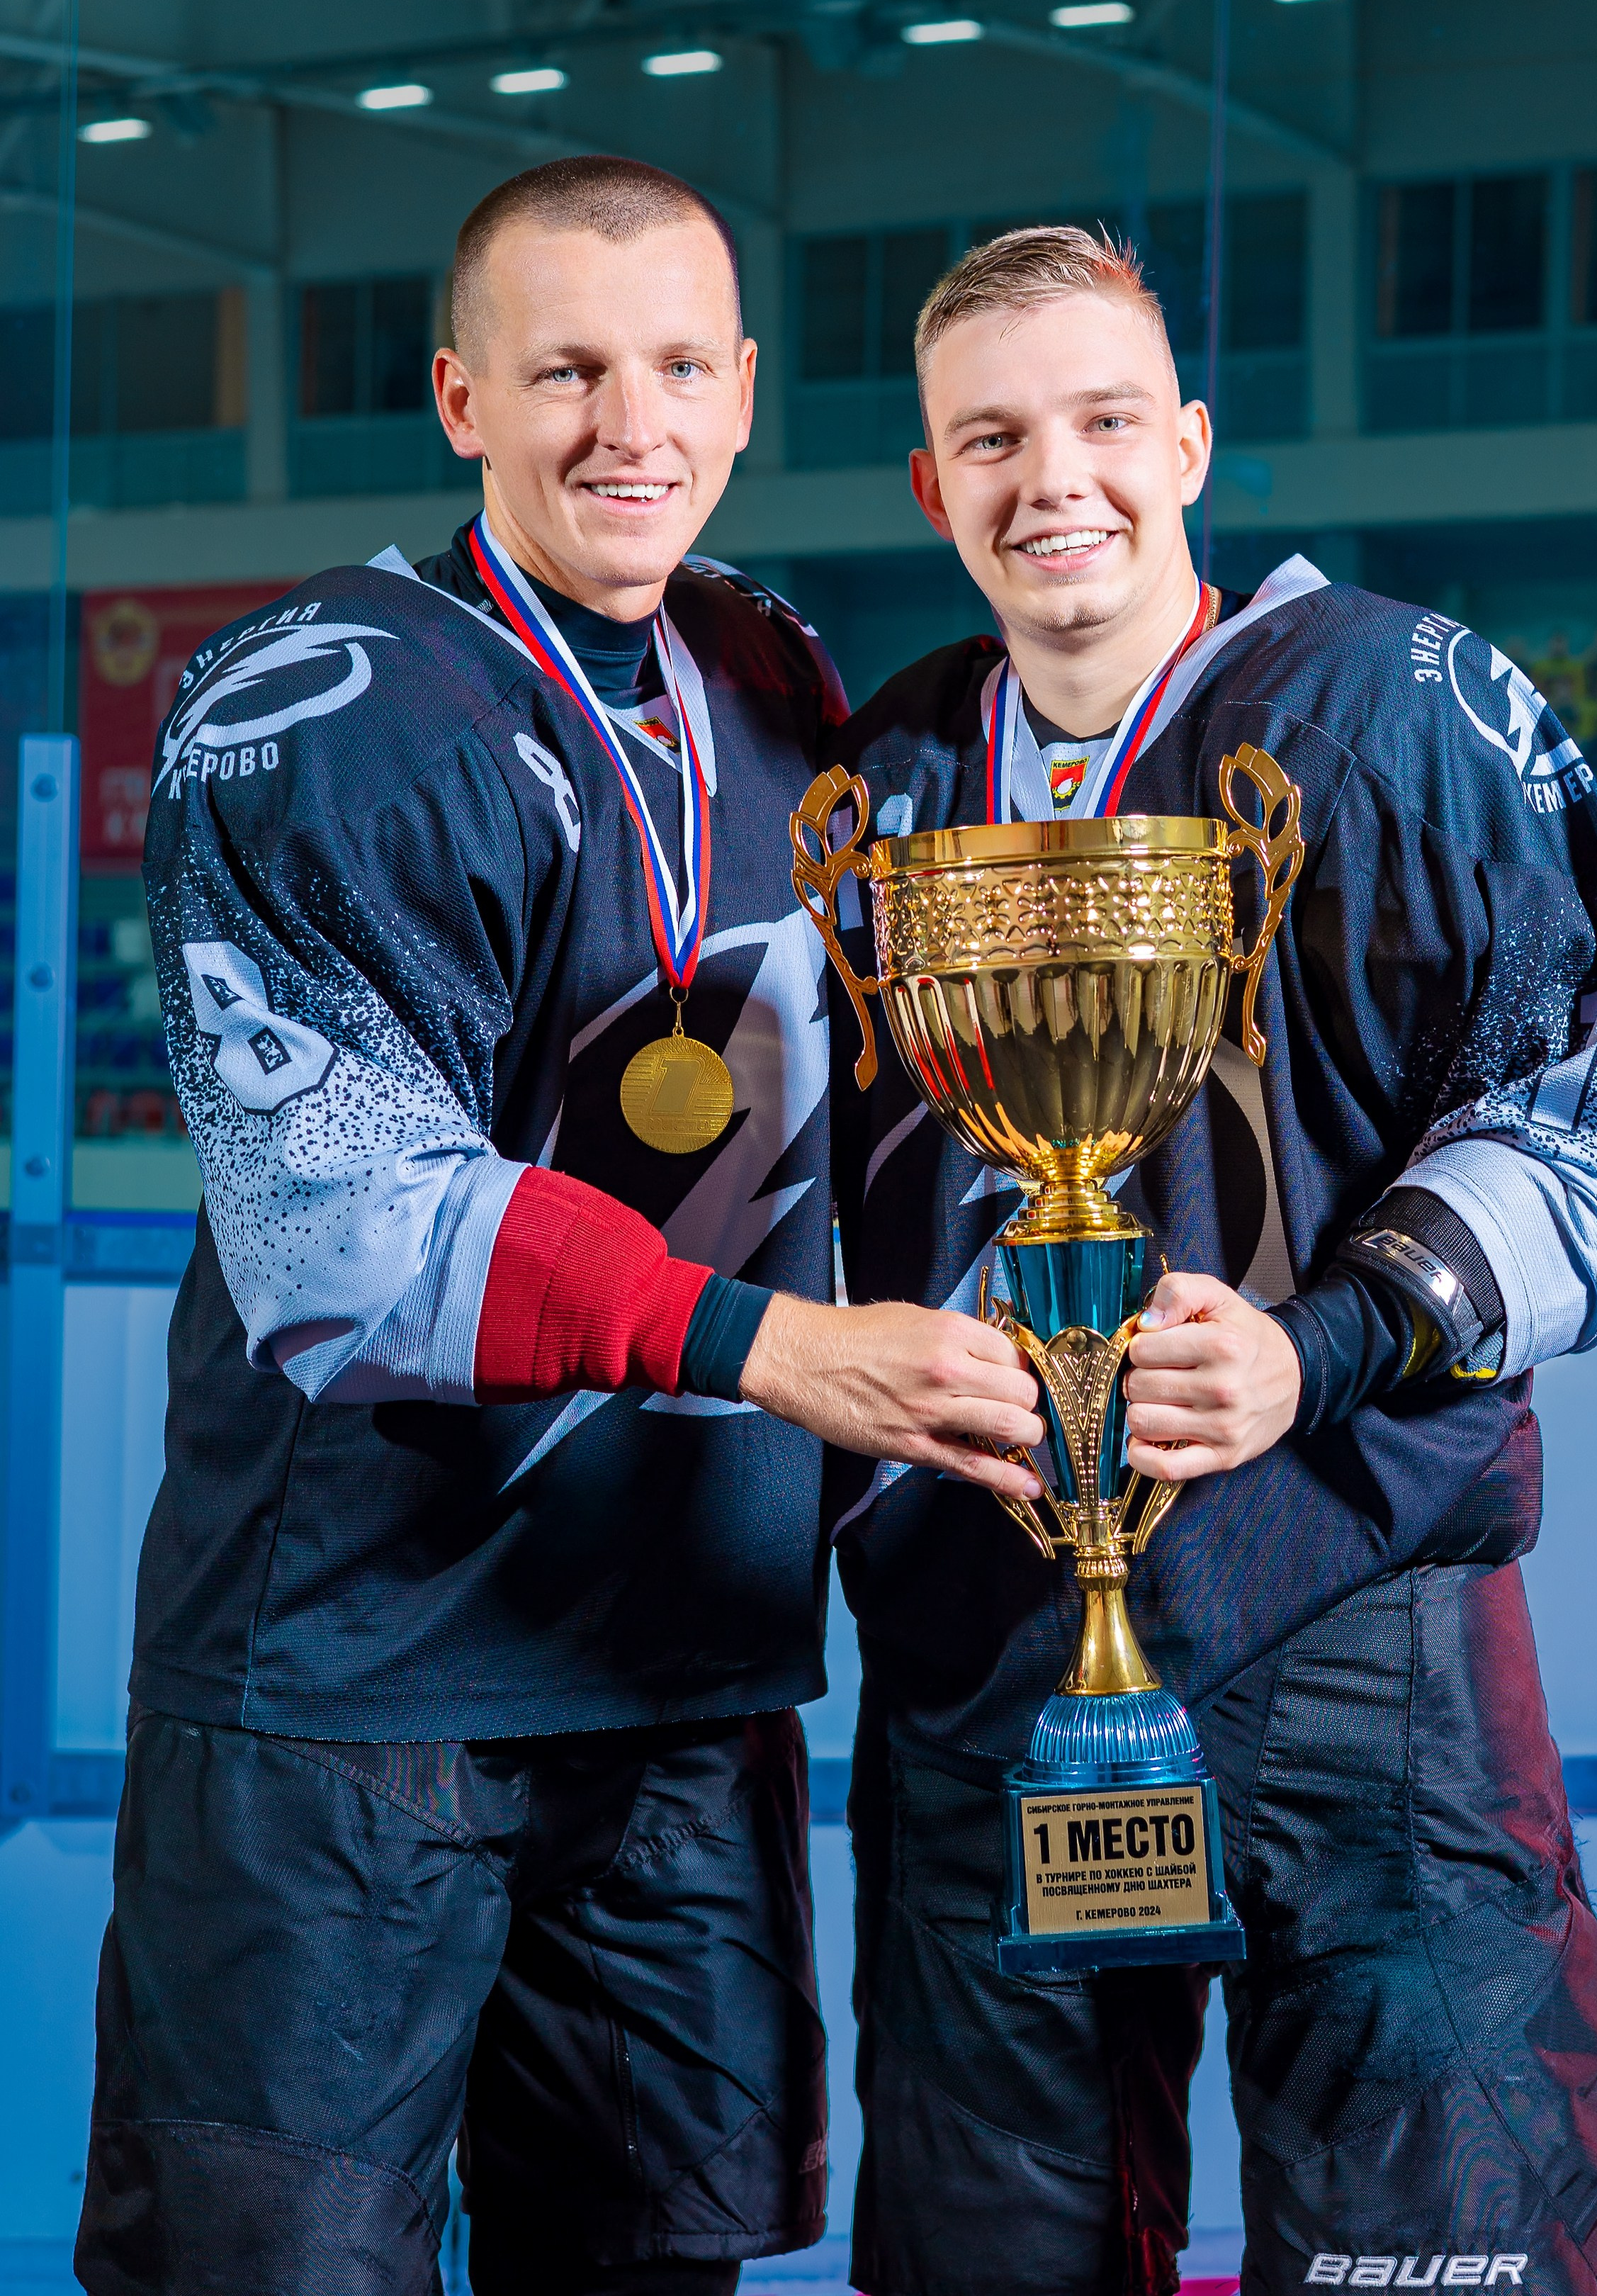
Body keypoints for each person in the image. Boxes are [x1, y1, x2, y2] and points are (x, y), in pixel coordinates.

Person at [76, 155, 1043, 2296]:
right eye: (570, 373)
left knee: (654, 2265)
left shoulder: (781, 694)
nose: (635, 425)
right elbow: (347, 1212)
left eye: (681, 366)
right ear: (459, 400)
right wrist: (781, 1354)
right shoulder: (320, 698)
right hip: (359, 1691)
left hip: (680, 1682)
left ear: (747, 388)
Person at [828, 225, 1597, 2296]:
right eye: (997, 437)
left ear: (1192, 442)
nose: (1062, 479)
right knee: (986, 2266)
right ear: (935, 488)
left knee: (1443, 2257)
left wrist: (1320, 1344)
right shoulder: (881, 787)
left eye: (1109, 421)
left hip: (1356, 1627)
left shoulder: (1407, 701)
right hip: (987, 1640)